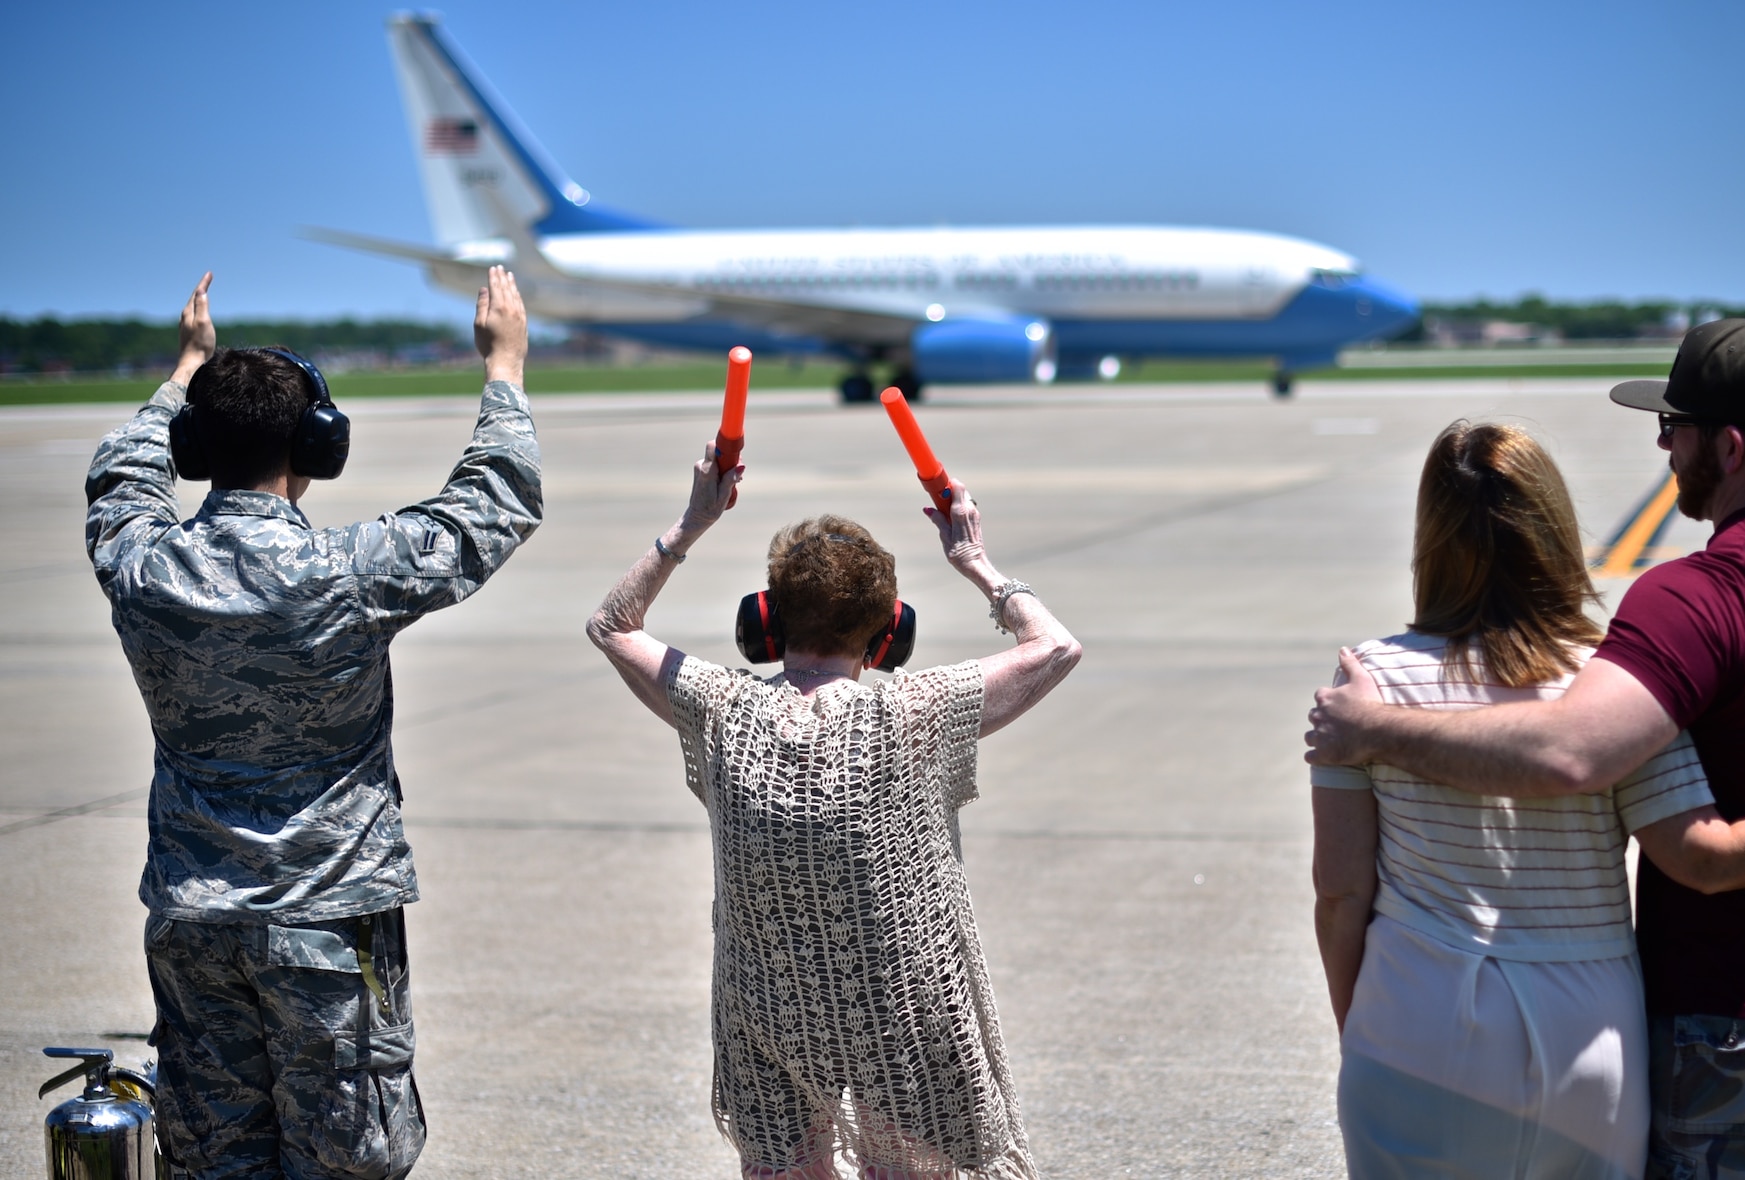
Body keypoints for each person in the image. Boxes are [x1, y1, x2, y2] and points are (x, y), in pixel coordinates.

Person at [1308, 319, 1745, 1179]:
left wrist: (1375, 729)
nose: (1662, 443)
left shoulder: (1691, 600)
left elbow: (1575, 755)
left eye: (1673, 428)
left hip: (1738, 1015)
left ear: (1727, 447)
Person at [85, 267, 543, 1178]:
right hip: (327, 921)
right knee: (346, 1162)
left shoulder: (141, 564)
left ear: (194, 447)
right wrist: (505, 370)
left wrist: (183, 370)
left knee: (214, 1160)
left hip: (193, 918)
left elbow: (120, 473)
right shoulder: (344, 572)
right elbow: (492, 505)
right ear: (317, 446)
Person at [586, 446, 1081, 1180]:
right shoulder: (916, 708)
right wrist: (976, 561)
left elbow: (612, 624)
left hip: (766, 1008)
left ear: (764, 622)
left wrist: (690, 524)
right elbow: (1055, 646)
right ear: (890, 635)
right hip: (903, 1009)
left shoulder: (725, 708)